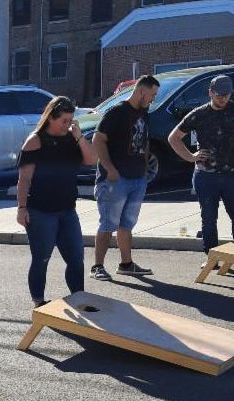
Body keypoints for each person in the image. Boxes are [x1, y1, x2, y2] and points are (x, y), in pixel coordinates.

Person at [16, 97, 97, 307]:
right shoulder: (35, 141)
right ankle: (39, 301)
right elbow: (24, 179)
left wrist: (79, 137)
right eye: (63, 120)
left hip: (68, 210)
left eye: (71, 120)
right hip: (41, 211)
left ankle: (79, 297)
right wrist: (22, 208)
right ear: (51, 118)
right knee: (42, 258)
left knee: (76, 258)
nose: (67, 125)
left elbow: (91, 160)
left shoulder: (72, 138)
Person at [90, 75, 160, 281]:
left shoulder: (144, 113)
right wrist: (110, 168)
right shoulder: (117, 112)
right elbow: (98, 139)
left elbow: (145, 141)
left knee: (127, 224)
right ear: (141, 91)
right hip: (114, 180)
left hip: (137, 178)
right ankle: (97, 266)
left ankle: (126, 264)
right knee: (108, 224)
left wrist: (144, 168)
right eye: (152, 94)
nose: (153, 99)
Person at [168, 74, 234, 267]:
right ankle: (211, 258)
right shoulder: (199, 114)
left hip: (231, 174)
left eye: (227, 95)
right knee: (209, 218)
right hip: (206, 176)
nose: (223, 98)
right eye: (219, 95)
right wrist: (191, 156)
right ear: (210, 93)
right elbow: (174, 137)